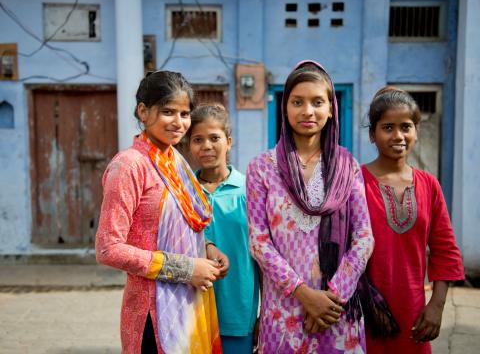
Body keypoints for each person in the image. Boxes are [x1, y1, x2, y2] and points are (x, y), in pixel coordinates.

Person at [246, 60, 374, 353]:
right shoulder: (262, 168)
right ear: (284, 107)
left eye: (318, 102)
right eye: (297, 102)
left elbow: (364, 237)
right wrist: (305, 295)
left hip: (336, 310)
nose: (307, 111)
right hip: (285, 309)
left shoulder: (347, 167)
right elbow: (259, 242)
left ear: (331, 109)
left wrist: (333, 296)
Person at [95, 70, 228, 354]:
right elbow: (108, 248)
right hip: (151, 313)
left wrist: (206, 249)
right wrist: (186, 268)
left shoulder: (174, 161)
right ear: (143, 111)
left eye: (185, 113)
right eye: (169, 112)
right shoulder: (130, 166)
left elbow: (178, 228)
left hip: (189, 305)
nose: (179, 123)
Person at [362, 86, 465, 354]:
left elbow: (446, 250)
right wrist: (366, 303)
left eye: (406, 126)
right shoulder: (354, 182)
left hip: (414, 316)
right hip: (364, 314)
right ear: (372, 134)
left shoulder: (429, 185)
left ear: (416, 131)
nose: (398, 135)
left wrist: (436, 306)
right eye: (387, 127)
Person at [188, 103, 260, 353]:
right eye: (198, 139)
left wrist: (265, 312)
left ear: (228, 141)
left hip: (238, 312)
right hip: (191, 310)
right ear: (189, 145)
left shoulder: (249, 190)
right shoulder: (183, 192)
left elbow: (264, 257)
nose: (206, 146)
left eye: (214, 138)